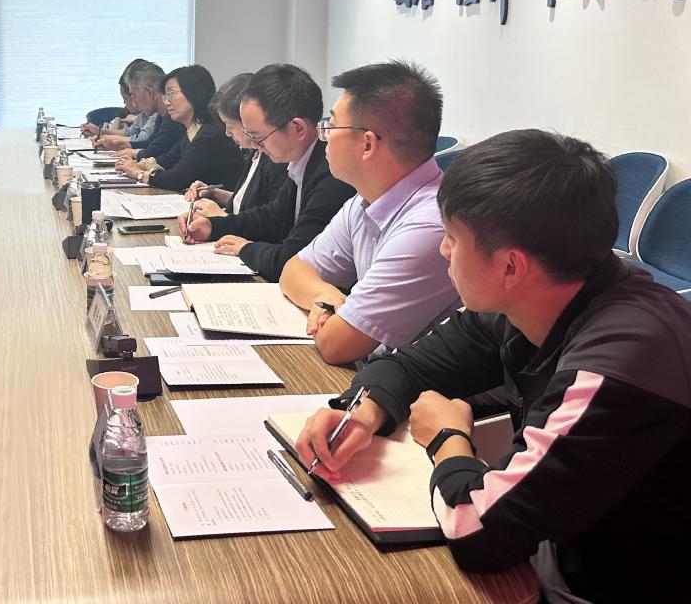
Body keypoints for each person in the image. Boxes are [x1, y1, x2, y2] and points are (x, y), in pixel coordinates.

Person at [293, 130, 691, 604]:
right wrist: (362, 412)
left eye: (451, 238)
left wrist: (447, 438)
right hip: (566, 547)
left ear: (510, 267)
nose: (443, 252)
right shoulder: (539, 295)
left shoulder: (622, 361)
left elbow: (477, 531)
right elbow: (408, 367)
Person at [277, 60, 458, 365]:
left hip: (429, 389)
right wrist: (327, 298)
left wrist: (334, 316)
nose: (323, 136)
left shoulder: (431, 226)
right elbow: (293, 270)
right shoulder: (365, 201)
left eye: (331, 126)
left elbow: (337, 345)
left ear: (367, 144)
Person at [182, 65, 354, 280]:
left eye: (258, 137)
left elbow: (296, 260)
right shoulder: (300, 162)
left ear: (298, 128)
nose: (255, 146)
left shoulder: (332, 177)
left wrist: (246, 249)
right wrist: (213, 226)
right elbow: (272, 217)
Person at [114, 64, 244, 192]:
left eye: (171, 94)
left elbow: (176, 179)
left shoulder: (211, 134)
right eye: (165, 96)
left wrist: (139, 174)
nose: (166, 102)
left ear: (194, 93)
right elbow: (170, 159)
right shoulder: (192, 129)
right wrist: (137, 165)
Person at [181, 71, 287, 216]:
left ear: (246, 121)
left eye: (229, 125)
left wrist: (222, 217)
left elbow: (269, 219)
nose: (227, 133)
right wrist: (215, 193)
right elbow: (248, 203)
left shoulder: (276, 159)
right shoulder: (256, 154)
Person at [104, 61, 183, 162]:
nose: (134, 105)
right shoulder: (161, 115)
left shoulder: (173, 117)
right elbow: (150, 143)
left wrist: (132, 153)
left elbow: (156, 151)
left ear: (149, 92)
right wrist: (120, 144)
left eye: (134, 96)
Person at [82, 59, 144, 139]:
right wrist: (98, 131)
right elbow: (129, 133)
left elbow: (139, 140)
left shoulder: (153, 118)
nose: (124, 102)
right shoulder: (129, 114)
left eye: (126, 98)